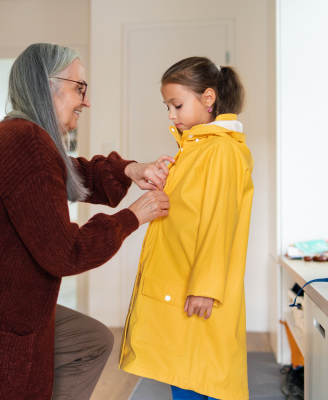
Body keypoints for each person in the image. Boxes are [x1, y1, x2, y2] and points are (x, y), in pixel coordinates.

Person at [0, 43, 173, 400]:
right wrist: (133, 216)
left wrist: (130, 169)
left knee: (93, 340)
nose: (86, 101)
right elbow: (66, 253)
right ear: (45, 86)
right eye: (78, 87)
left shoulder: (25, 139)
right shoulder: (24, 142)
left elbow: (70, 172)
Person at [119, 56, 254, 400]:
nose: (170, 115)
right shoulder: (195, 149)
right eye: (168, 106)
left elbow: (219, 221)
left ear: (208, 99)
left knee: (199, 374)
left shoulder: (221, 150)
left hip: (197, 287)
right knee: (186, 372)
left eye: (177, 105)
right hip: (179, 279)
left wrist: (206, 286)